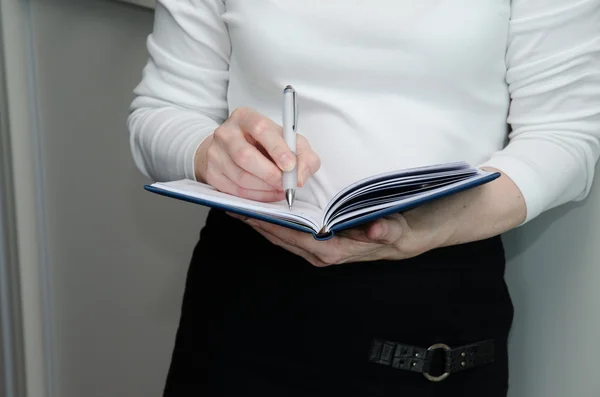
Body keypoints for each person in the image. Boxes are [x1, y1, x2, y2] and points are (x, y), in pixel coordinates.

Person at [127, 1, 600, 396]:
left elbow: (565, 135)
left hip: (439, 304)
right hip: (249, 298)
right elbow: (162, 110)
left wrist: (435, 225)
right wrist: (212, 154)